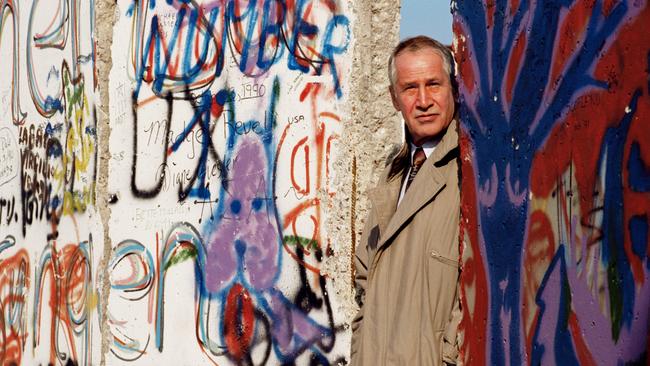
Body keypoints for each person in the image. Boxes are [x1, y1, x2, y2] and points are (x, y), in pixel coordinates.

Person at [350, 36, 461, 365]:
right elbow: (365, 282)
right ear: (394, 98)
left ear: (453, 87)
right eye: (410, 88)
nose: (424, 100)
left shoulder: (470, 172)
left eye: (434, 84)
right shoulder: (393, 173)